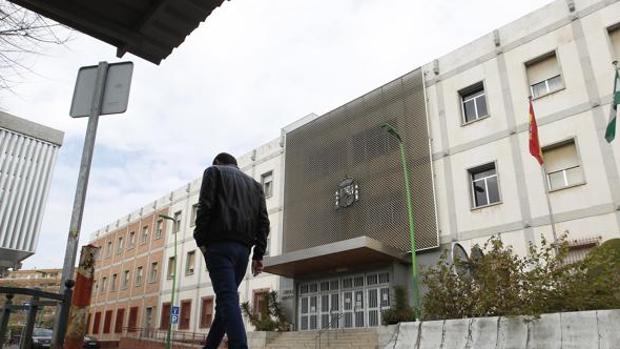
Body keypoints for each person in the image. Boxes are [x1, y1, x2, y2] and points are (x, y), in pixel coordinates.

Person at [193, 152, 270, 349]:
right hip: (243, 253)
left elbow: (205, 207)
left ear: (218, 162)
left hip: (219, 247)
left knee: (227, 299)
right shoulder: (256, 186)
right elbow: (263, 222)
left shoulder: (213, 172)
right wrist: (258, 255)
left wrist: (201, 240)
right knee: (225, 302)